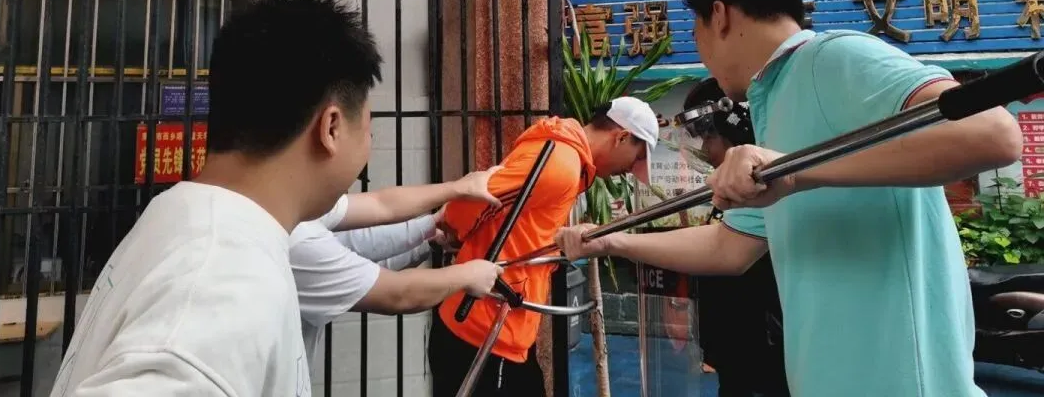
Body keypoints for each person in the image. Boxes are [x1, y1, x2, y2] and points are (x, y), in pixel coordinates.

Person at [556, 0, 1022, 397]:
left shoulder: (832, 56)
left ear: (720, 15)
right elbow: (729, 247)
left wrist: (798, 175)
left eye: (695, 33)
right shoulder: (772, 104)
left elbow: (992, 133)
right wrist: (611, 240)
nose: (702, 55)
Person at [49, 0, 497, 396]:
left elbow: (376, 213)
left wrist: (440, 212)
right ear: (331, 128)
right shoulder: (224, 287)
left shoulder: (192, 215)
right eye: (368, 129)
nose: (369, 146)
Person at [429, 97, 660, 397]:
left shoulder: (566, 157)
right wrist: (451, 228)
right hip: (483, 329)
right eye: (637, 157)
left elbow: (515, 216)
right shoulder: (561, 164)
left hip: (500, 324)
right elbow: (477, 200)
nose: (631, 170)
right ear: (622, 137)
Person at [292, 172, 509, 366]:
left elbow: (381, 207)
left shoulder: (297, 206)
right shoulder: (298, 243)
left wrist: (433, 227)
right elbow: (397, 294)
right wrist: (467, 276)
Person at [676, 78, 789, 397]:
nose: (704, 150)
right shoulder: (735, 193)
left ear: (738, 130)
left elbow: (727, 253)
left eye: (709, 137)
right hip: (735, 354)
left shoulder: (766, 191)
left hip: (763, 359)